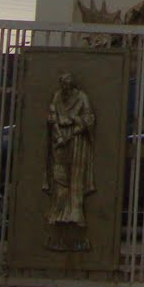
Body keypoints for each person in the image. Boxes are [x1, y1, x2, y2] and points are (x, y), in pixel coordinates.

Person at [43, 72, 96, 229]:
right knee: (59, 176)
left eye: (67, 84)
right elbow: (52, 118)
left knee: (76, 176)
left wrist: (78, 123)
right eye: (63, 85)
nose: (65, 88)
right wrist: (59, 137)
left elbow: (89, 117)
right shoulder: (57, 96)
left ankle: (76, 213)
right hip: (60, 139)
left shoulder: (82, 97)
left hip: (76, 139)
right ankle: (58, 212)